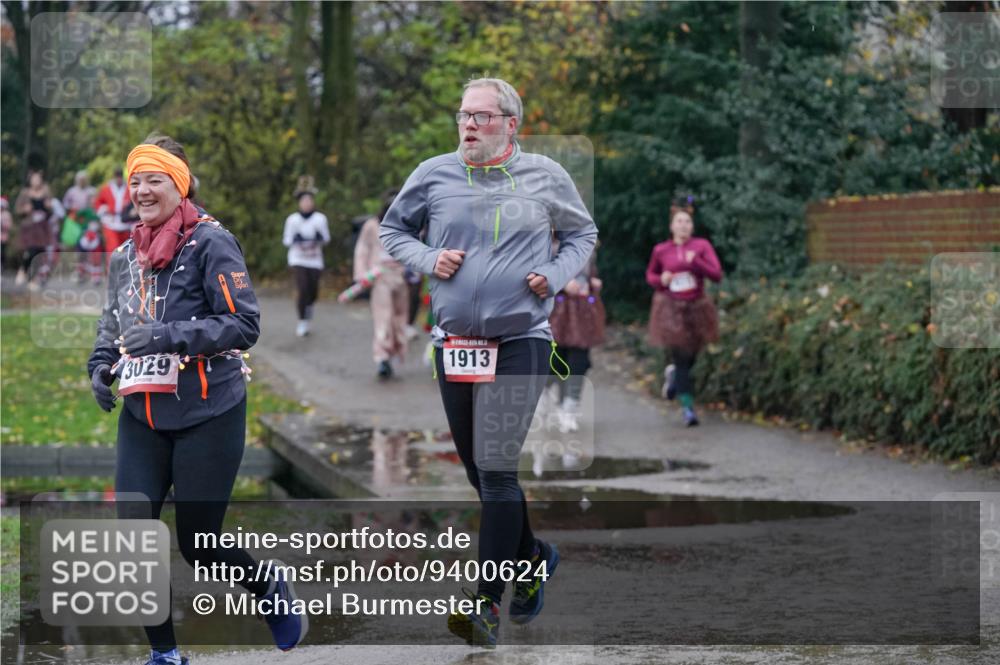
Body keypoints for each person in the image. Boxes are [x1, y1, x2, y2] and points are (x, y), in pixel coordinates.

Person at [380, 77, 598, 648]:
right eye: (462, 115)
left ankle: (484, 605)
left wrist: (551, 277)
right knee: (482, 475)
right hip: (456, 344)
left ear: (510, 123)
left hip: (521, 339)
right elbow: (392, 229)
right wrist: (428, 257)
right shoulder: (434, 174)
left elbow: (582, 233)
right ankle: (533, 558)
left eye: (480, 116)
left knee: (497, 469)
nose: (468, 125)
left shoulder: (546, 175)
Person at [87, 134, 307, 663]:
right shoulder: (125, 255)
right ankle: (165, 655)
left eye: (153, 179)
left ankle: (268, 587)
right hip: (143, 414)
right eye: (134, 180)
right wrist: (99, 365)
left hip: (209, 411)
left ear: (178, 185)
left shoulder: (211, 243)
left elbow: (243, 324)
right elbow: (111, 322)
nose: (141, 189)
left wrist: (168, 336)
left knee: (199, 545)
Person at [645, 197, 723, 426]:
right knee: (681, 357)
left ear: (692, 225)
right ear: (672, 226)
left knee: (692, 358)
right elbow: (650, 276)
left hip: (697, 307)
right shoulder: (661, 250)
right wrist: (662, 279)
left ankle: (673, 378)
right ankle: (688, 409)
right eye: (679, 221)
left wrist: (696, 262)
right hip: (671, 308)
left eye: (687, 222)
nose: (683, 225)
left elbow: (717, 275)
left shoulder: (702, 246)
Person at [547, 247, 605, 436]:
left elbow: (590, 273)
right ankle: (557, 400)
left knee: (579, 361)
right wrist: (563, 284)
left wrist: (593, 283)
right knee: (557, 361)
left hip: (583, 312)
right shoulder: (548, 245)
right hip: (558, 313)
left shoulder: (587, 247)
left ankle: (569, 408)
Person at [354, 189, 408, 378]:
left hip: (400, 277)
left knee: (399, 319)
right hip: (380, 277)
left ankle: (395, 352)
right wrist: (362, 274)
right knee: (383, 317)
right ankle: (382, 357)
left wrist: (415, 270)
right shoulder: (372, 226)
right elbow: (362, 249)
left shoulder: (404, 224)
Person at [282, 178, 330, 337]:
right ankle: (302, 321)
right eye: (304, 200)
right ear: (299, 203)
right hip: (298, 259)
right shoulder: (292, 220)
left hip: (315, 260)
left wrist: (318, 237)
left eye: (310, 200)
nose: (307, 203)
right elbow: (286, 240)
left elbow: (326, 239)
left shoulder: (320, 219)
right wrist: (296, 239)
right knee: (302, 289)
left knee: (313, 291)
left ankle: (309, 307)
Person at [14, 170, 55, 287]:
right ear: (30, 181)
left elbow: (51, 212)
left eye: (39, 179)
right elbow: (17, 209)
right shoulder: (25, 193)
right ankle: (23, 270)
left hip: (42, 228)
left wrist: (49, 207)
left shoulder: (46, 192)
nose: (37, 181)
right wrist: (24, 210)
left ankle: (34, 279)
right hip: (29, 227)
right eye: (34, 179)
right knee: (30, 251)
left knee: (39, 253)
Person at [93, 167, 135, 256]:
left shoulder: (129, 188)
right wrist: (104, 209)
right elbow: (97, 203)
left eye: (120, 176)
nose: (119, 179)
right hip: (110, 222)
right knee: (112, 248)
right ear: (114, 177)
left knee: (126, 249)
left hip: (126, 222)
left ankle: (125, 269)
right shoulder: (106, 189)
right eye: (117, 176)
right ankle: (112, 269)